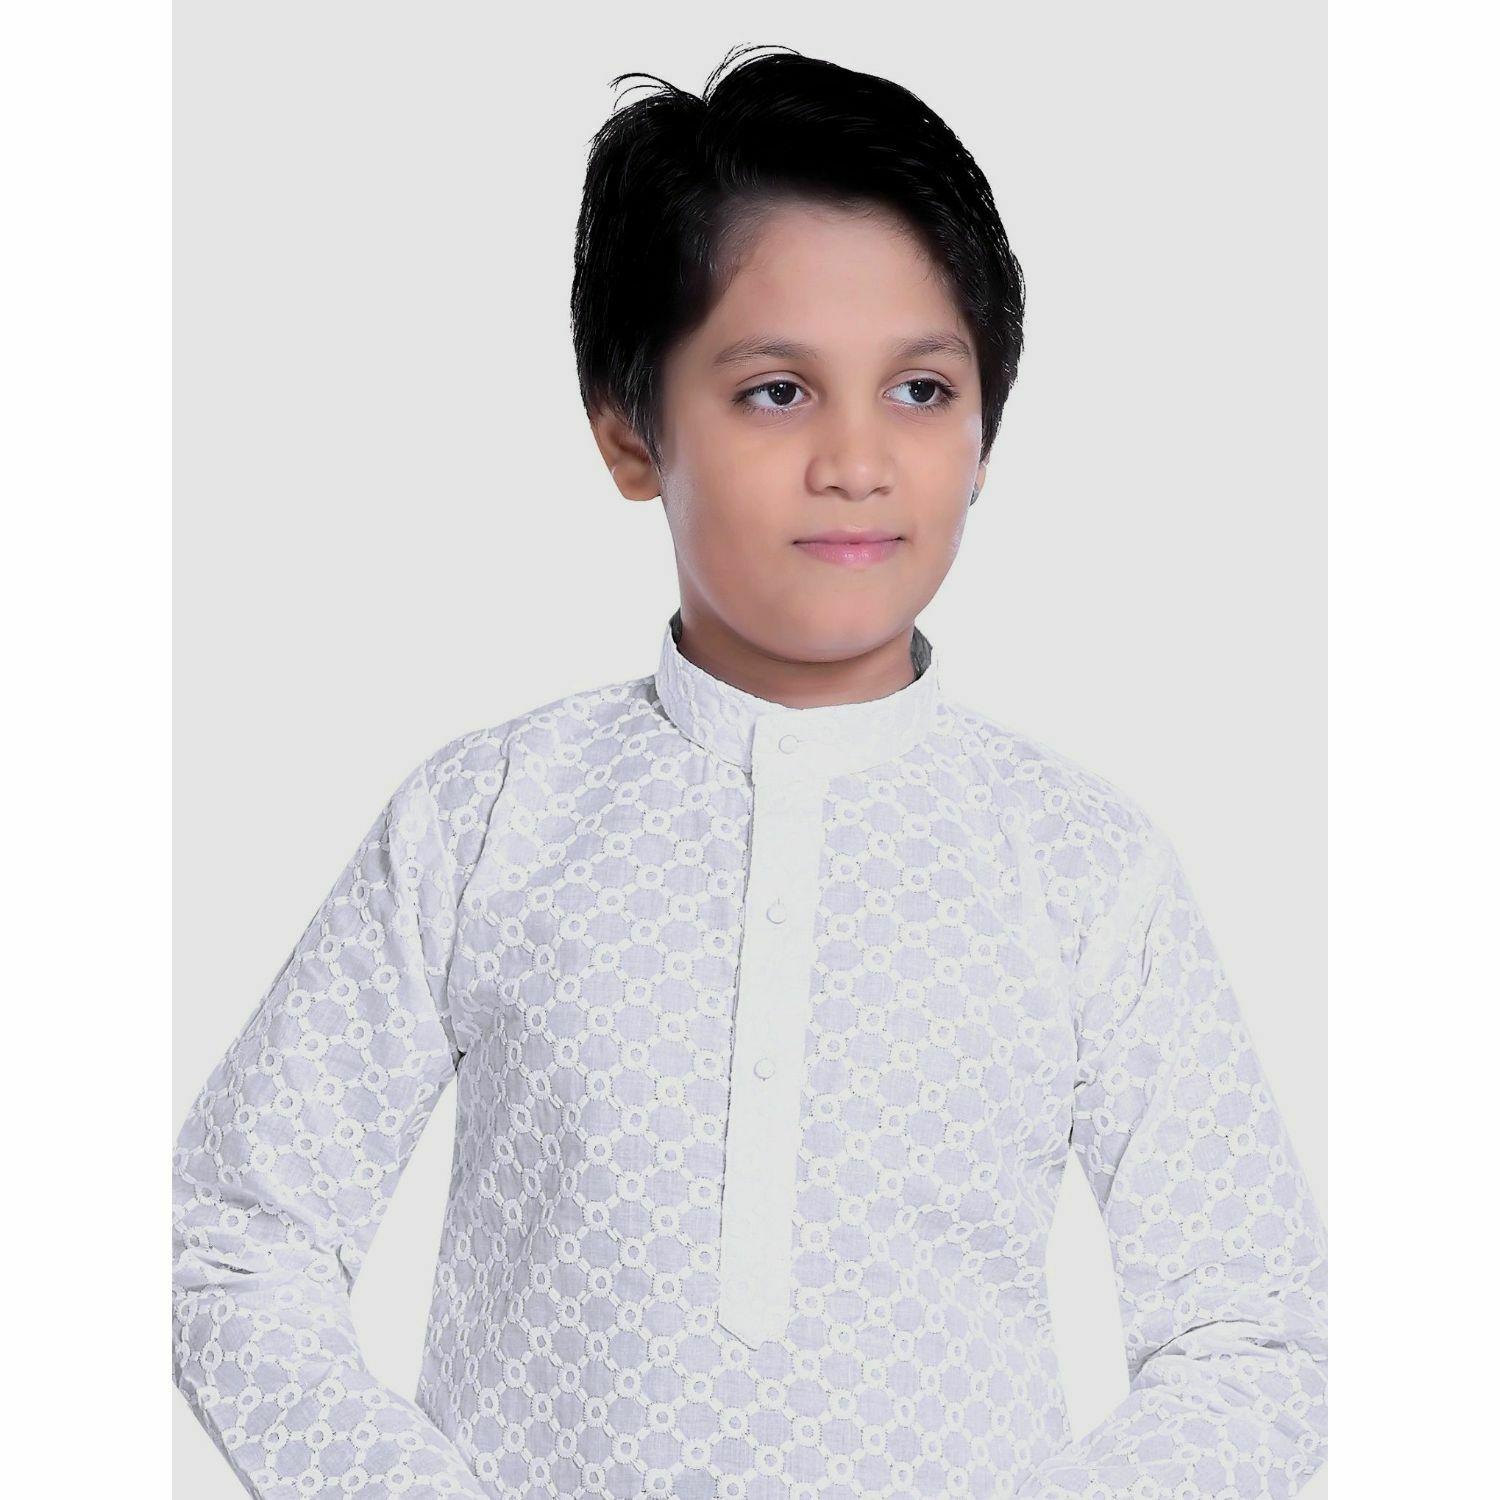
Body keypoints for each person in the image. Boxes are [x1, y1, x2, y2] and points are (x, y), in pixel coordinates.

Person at [172, 42, 1328, 1500]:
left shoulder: (1078, 863)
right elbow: (232, 1239)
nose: (858, 458)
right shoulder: (487, 820)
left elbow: (1257, 1335)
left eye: (921, 389)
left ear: (987, 433)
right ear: (628, 429)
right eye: (778, 392)